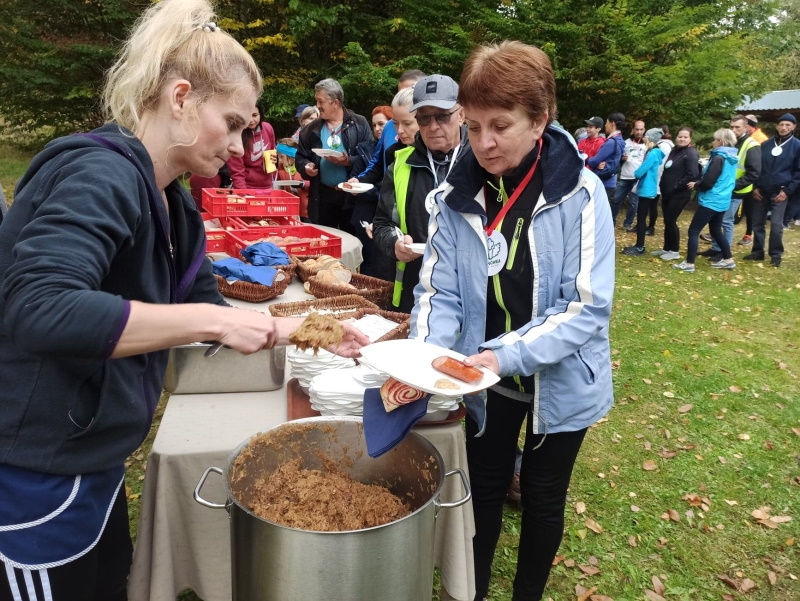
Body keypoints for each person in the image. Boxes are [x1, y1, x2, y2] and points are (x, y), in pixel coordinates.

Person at [0, 3, 369, 600]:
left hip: (95, 454)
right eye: (231, 123)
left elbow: (214, 316)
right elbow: (41, 308)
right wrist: (203, 321)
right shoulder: (99, 174)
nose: (241, 144)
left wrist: (302, 329)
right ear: (180, 98)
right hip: (36, 468)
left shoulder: (176, 205)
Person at [411, 41, 614, 601]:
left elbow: (585, 308)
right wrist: (424, 356)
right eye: (472, 126)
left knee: (544, 498)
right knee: (484, 489)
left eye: (500, 126)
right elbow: (440, 288)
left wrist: (504, 354)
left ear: (541, 119)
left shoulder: (581, 193)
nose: (484, 143)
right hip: (486, 379)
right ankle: (472, 592)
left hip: (561, 380)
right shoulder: (456, 193)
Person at [373, 74, 470, 313]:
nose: (433, 126)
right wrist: (394, 244)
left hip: (471, 290)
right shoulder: (399, 163)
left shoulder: (483, 161)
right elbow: (382, 224)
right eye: (424, 118)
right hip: (416, 290)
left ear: (462, 114)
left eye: (442, 116)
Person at [295, 78, 373, 232]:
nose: (317, 106)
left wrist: (348, 161)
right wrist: (306, 167)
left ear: (335, 102)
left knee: (352, 239)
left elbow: (370, 159)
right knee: (324, 239)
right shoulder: (311, 129)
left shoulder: (359, 123)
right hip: (323, 195)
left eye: (320, 101)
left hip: (351, 196)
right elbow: (300, 157)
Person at [673, 128, 739, 273]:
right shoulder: (732, 158)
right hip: (723, 199)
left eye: (715, 139)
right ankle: (728, 259)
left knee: (693, 230)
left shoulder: (718, 158)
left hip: (712, 200)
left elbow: (709, 181)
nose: (713, 142)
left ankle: (689, 263)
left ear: (721, 141)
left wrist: (696, 185)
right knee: (716, 230)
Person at [700, 115, 761, 260]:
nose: (733, 130)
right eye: (731, 127)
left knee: (726, 221)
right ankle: (716, 248)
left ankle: (724, 253)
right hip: (723, 189)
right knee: (715, 221)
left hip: (736, 190)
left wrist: (733, 185)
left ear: (746, 127)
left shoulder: (751, 145)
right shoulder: (731, 143)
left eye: (737, 127)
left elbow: (754, 173)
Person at [746, 113, 800, 267]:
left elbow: (798, 172)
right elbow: (757, 167)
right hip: (761, 189)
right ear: (777, 126)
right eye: (781, 125)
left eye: (788, 125)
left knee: (776, 225)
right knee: (757, 223)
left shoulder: (797, 146)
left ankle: (776, 255)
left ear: (793, 127)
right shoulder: (766, 144)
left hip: (781, 191)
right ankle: (757, 252)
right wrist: (755, 186)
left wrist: (787, 191)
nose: (784, 128)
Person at [651, 127, 700, 261]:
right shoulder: (675, 150)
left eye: (685, 137)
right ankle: (666, 248)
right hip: (667, 193)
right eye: (680, 136)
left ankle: (674, 251)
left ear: (690, 139)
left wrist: (676, 185)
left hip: (679, 194)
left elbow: (693, 174)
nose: (682, 139)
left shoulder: (690, 153)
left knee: (671, 221)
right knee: (667, 221)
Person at [622, 128, 665, 255]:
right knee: (641, 217)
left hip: (647, 188)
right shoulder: (657, 153)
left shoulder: (652, 154)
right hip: (649, 187)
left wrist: (636, 172)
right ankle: (639, 245)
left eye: (646, 137)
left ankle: (640, 247)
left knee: (641, 218)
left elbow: (640, 171)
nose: (644, 138)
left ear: (650, 139)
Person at [227, 101, 277, 189]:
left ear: (260, 114)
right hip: (247, 187)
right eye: (247, 116)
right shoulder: (236, 134)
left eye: (254, 115)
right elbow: (237, 170)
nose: (251, 120)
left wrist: (272, 176)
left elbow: (272, 154)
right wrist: (242, 193)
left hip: (268, 186)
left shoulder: (268, 128)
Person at [613, 119, 646, 229]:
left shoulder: (647, 144)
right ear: (633, 130)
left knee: (633, 203)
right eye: (637, 129)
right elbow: (618, 159)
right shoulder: (626, 142)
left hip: (638, 178)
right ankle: (611, 221)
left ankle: (627, 224)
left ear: (644, 130)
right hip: (625, 176)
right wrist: (622, 159)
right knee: (616, 199)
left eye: (641, 129)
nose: (639, 132)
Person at [586, 112, 625, 205]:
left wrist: (586, 158)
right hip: (611, 180)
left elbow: (594, 161)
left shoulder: (611, 142)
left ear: (613, 124)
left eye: (607, 122)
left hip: (604, 182)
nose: (606, 125)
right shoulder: (620, 140)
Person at [647, 125, 674, 236]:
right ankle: (648, 226)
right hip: (658, 179)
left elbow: (660, 165)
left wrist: (654, 178)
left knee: (652, 205)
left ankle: (651, 227)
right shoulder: (667, 145)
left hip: (657, 179)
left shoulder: (663, 146)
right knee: (651, 204)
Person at [275, 137, 309, 221]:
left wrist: (304, 184)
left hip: (306, 209)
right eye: (278, 157)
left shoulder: (303, 167)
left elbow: (314, 182)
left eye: (282, 157)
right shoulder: (280, 168)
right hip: (291, 208)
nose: (279, 160)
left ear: (291, 156)